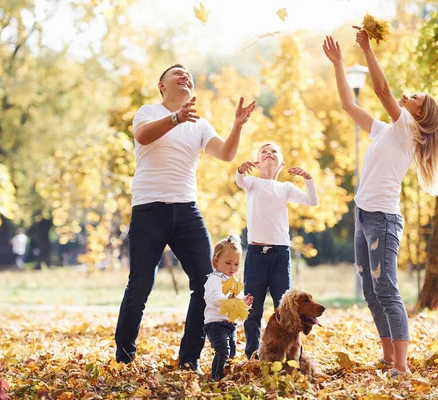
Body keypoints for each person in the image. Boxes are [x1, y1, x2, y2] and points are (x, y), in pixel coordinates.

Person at [322, 29, 438, 377]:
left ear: (419, 112)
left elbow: (382, 90)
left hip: (382, 220)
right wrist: (339, 64)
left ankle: (401, 367)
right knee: (370, 291)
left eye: (415, 96)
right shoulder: (387, 130)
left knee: (386, 288)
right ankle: (388, 358)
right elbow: (348, 105)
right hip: (363, 215)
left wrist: (367, 51)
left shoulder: (408, 130)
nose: (408, 94)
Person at [114, 64, 256, 372]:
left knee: (206, 283)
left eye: (188, 75)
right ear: (161, 85)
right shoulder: (148, 112)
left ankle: (189, 359)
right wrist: (176, 117)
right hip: (149, 208)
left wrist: (237, 125)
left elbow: (227, 153)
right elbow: (143, 135)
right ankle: (124, 358)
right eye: (176, 73)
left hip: (187, 209)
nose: (185, 76)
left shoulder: (200, 124)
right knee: (140, 284)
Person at [236, 142, 319, 359]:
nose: (268, 154)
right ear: (257, 161)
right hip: (256, 255)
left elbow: (312, 200)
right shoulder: (252, 183)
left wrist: (308, 179)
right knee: (252, 308)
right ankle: (254, 354)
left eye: (273, 152)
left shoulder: (285, 188)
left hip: (280, 255)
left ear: (281, 163)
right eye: (263, 151)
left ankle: (294, 355)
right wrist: (240, 169)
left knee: (286, 309)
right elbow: (240, 180)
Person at [204, 235, 253, 380]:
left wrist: (244, 301)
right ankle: (216, 377)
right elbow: (215, 298)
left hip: (231, 324)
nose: (232, 267)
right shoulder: (214, 279)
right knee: (222, 351)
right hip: (216, 324)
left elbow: (237, 300)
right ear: (216, 260)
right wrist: (229, 299)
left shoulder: (233, 281)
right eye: (228, 263)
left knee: (232, 353)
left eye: (236, 264)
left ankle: (224, 374)